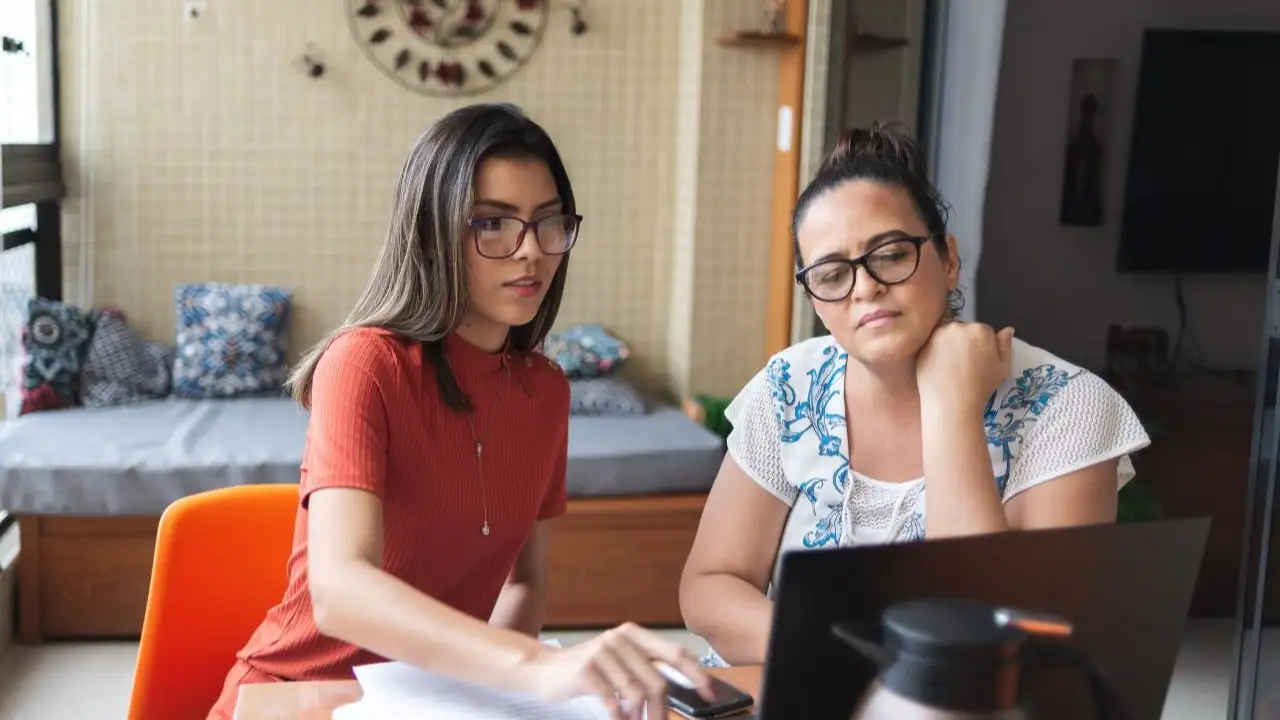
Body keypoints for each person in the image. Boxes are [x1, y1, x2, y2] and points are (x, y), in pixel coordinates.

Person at [209, 104, 711, 720]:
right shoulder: (364, 364)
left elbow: (524, 581)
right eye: (493, 224)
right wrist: (536, 667)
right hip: (298, 695)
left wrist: (508, 696)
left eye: (549, 223)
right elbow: (340, 592)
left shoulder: (547, 391)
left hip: (435, 701)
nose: (531, 253)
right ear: (432, 232)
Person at [678, 123, 1151, 668]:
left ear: (948, 259)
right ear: (815, 297)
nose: (865, 287)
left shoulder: (1066, 407)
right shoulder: (790, 386)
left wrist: (952, 407)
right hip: (795, 688)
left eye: (891, 254)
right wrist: (839, 654)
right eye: (832, 274)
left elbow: (999, 649)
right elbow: (710, 585)